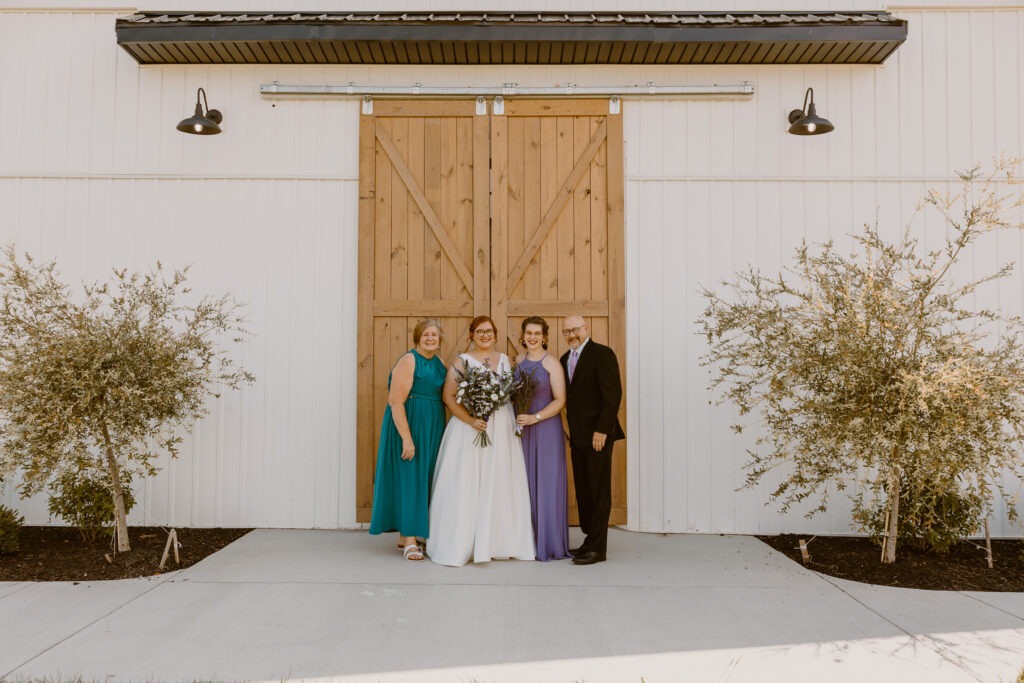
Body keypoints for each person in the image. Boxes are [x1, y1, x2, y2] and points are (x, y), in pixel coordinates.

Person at [427, 315, 535, 567]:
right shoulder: (462, 361)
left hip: (501, 428)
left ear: (495, 335)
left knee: (500, 481)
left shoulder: (507, 360)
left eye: (489, 331)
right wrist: (471, 419)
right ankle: (463, 541)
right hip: (470, 427)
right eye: (480, 331)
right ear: (472, 335)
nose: (485, 335)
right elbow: (449, 396)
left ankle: (499, 541)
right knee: (468, 480)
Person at [368, 319, 447, 561]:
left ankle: (406, 537)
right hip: (410, 424)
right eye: (426, 334)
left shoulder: (440, 363)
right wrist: (406, 438)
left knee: (425, 478)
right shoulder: (409, 360)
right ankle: (411, 539)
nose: (430, 338)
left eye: (434, 335)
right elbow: (395, 401)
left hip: (432, 425)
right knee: (411, 478)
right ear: (417, 337)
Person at [560, 314, 625, 565]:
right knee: (585, 490)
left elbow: (613, 396)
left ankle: (599, 549)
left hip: (598, 435)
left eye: (575, 329)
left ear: (586, 328)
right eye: (567, 331)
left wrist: (602, 430)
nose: (571, 334)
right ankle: (589, 540)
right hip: (577, 437)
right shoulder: (565, 359)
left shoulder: (602, 354)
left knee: (598, 492)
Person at [514, 316, 570, 561]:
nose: (533, 337)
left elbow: (560, 400)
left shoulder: (552, 364)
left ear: (545, 336)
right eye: (529, 333)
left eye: (537, 333)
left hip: (545, 428)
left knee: (546, 483)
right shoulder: (517, 361)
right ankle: (526, 542)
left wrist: (535, 417)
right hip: (522, 429)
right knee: (523, 483)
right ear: (523, 335)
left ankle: (548, 543)